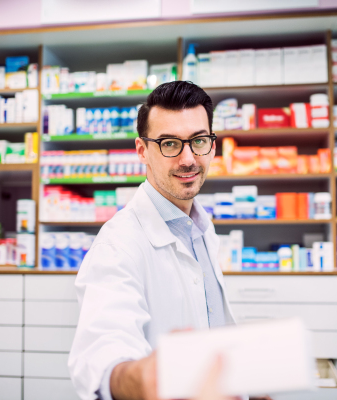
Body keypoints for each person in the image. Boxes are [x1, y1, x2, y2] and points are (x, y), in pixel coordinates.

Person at [68, 81, 236, 400]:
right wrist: (144, 379)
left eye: (198, 140)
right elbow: (102, 354)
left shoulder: (201, 228)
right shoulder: (118, 245)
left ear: (212, 146)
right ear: (142, 151)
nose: (188, 159)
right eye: (170, 143)